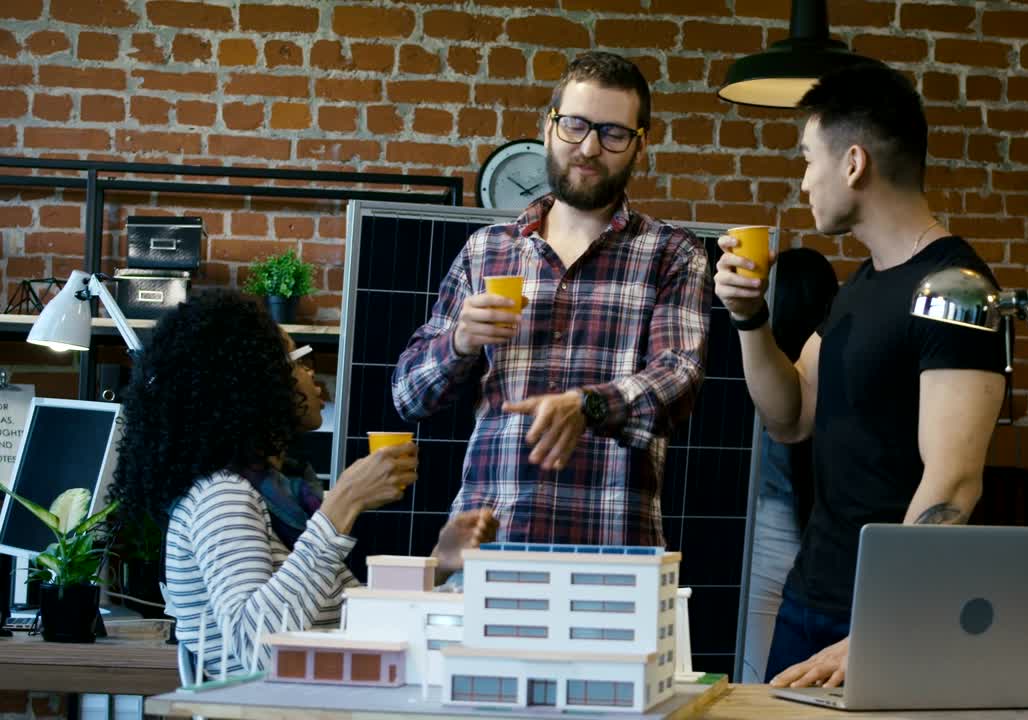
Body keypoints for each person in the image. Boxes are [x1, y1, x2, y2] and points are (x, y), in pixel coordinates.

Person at [713, 59, 1006, 688]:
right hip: (810, 595)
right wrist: (748, 318)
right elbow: (789, 417)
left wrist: (879, 625)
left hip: (890, 620)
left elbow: (954, 485)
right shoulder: (862, 286)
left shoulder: (956, 289)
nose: (803, 182)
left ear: (852, 163)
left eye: (806, 159)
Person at [392, 51, 712, 546]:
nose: (588, 147)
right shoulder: (487, 251)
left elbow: (680, 377)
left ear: (639, 147)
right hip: (487, 544)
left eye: (613, 133)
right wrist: (459, 341)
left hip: (612, 547)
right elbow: (408, 396)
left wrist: (587, 406)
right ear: (548, 129)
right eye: (575, 125)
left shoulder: (672, 253)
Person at [109, 291, 493, 677]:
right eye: (296, 361)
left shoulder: (281, 494)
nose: (309, 373)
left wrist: (437, 566)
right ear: (251, 383)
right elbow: (256, 648)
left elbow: (354, 622)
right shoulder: (222, 497)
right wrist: (341, 504)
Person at [741, 247, 838, 684]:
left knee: (760, 670)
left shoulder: (757, 362)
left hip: (767, 524)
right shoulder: (833, 357)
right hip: (825, 528)